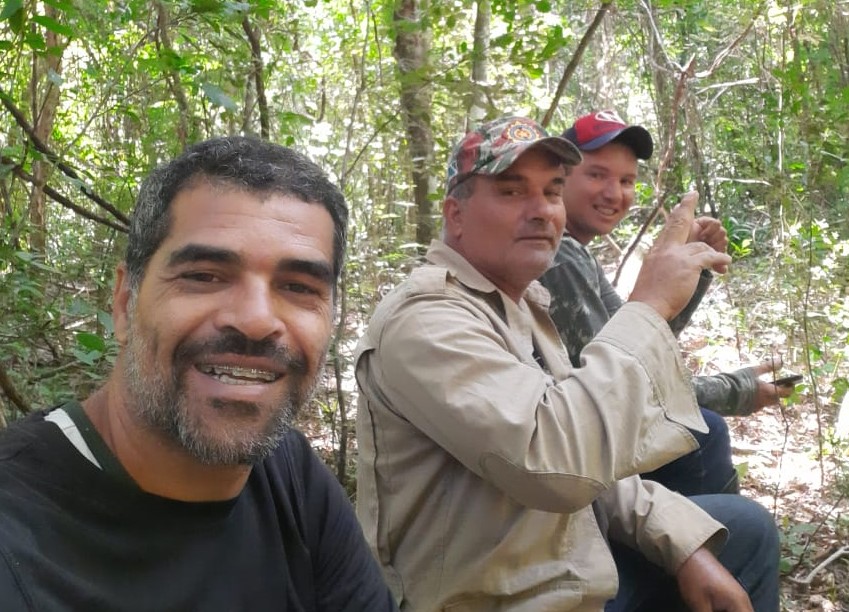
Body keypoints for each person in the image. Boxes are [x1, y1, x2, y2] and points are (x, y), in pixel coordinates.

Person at [355, 116, 779, 611]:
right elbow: (557, 463)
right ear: (456, 214)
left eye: (552, 191)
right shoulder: (427, 320)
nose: (541, 210)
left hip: (552, 561)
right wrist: (650, 303)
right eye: (512, 192)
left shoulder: (517, 305)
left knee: (744, 529)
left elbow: (600, 470)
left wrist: (685, 547)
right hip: (498, 596)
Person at [0, 136, 397, 611]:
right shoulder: (16, 530)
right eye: (204, 276)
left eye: (297, 286)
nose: (256, 320)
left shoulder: (289, 475)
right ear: (124, 304)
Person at [540, 109, 793, 495]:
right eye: (597, 175)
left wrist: (693, 267)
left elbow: (643, 342)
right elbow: (627, 385)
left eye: (626, 180)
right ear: (560, 178)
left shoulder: (576, 252)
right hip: (564, 458)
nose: (614, 193)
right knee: (704, 433)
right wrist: (736, 390)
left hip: (583, 438)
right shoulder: (558, 255)